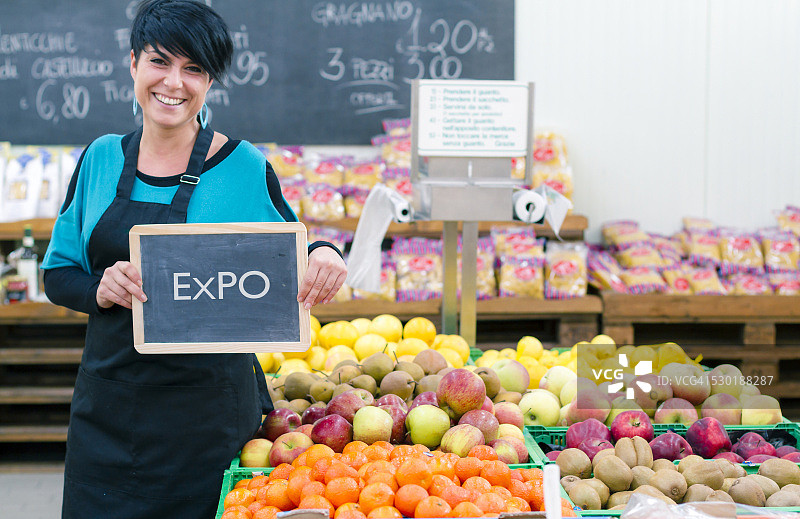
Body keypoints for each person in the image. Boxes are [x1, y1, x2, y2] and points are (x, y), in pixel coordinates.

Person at [41, 0, 347, 517]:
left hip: (209, 420)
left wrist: (325, 254)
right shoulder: (99, 158)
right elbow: (57, 274)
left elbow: (294, 248)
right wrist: (99, 288)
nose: (174, 83)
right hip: (110, 414)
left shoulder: (242, 166)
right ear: (134, 63)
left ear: (209, 83)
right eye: (160, 62)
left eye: (194, 69)